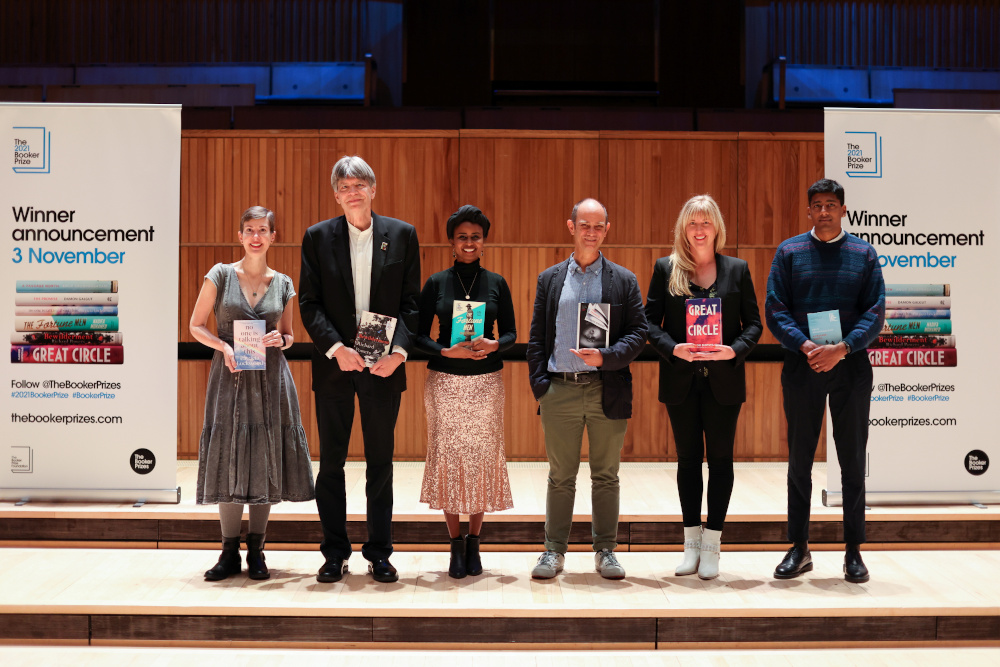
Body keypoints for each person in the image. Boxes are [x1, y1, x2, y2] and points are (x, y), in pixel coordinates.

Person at [299, 155, 420, 584]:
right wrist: (335, 348)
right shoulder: (317, 237)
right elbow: (309, 304)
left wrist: (399, 354)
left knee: (380, 463)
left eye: (359, 185)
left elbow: (412, 306)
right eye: (344, 187)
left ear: (373, 189)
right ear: (336, 195)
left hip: (384, 368)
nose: (353, 192)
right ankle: (334, 552)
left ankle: (380, 552)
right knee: (331, 463)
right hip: (335, 366)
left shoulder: (403, 235)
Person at [765, 178, 885, 584]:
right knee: (800, 460)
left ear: (843, 209)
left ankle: (854, 551)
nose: (824, 211)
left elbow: (875, 313)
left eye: (832, 204)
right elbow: (776, 310)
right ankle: (798, 548)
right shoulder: (790, 251)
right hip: (803, 367)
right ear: (809, 210)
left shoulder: (864, 254)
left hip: (850, 368)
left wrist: (842, 348)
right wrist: (806, 347)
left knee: (852, 461)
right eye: (817, 204)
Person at [190, 205, 315, 581]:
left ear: (273, 236)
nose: (256, 236)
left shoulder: (284, 283)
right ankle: (228, 551)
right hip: (231, 375)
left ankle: (257, 550)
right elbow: (196, 326)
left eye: (263, 230)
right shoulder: (220, 275)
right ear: (240, 236)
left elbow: (291, 335)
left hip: (270, 377)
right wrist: (224, 348)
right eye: (249, 230)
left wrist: (284, 338)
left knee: (265, 454)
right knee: (229, 449)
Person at [526, 198, 648, 580]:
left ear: (607, 230)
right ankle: (553, 551)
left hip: (605, 389)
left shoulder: (623, 280)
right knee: (560, 475)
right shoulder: (550, 279)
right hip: (559, 389)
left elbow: (640, 333)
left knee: (606, 475)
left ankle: (605, 550)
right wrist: (541, 387)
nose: (591, 232)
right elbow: (536, 339)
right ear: (571, 226)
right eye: (584, 225)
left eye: (598, 226)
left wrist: (607, 357)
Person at [645, 195, 761, 580]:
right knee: (688, 462)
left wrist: (734, 351)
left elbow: (754, 325)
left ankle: (713, 544)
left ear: (716, 229)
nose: (699, 230)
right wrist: (672, 348)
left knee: (722, 462)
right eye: (692, 223)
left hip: (724, 382)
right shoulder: (667, 268)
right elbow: (649, 324)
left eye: (706, 223)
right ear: (683, 228)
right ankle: (691, 543)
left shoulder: (737, 270)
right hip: (681, 380)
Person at [415, 204, 516, 579]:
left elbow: (511, 334)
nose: (469, 243)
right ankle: (455, 545)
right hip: (444, 381)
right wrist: (444, 350)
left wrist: (493, 344)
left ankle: (474, 543)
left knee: (480, 460)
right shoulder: (436, 283)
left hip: (486, 382)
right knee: (450, 459)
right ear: (452, 242)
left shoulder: (496, 283)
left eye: (475, 236)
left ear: (483, 242)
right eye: (462, 237)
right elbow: (417, 335)